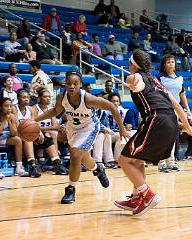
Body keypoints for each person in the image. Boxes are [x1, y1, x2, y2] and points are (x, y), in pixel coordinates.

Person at [114, 50, 192, 216]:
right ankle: (137, 199)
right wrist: (186, 126)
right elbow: (178, 106)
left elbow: (137, 80)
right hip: (170, 121)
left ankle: (147, 194)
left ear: (133, 64)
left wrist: (136, 84)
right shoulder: (156, 81)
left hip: (155, 119)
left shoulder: (134, 77)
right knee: (137, 161)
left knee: (123, 159)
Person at [34, 70, 129, 204]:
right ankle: (97, 168)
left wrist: (121, 128)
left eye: (75, 84)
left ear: (81, 85)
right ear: (65, 84)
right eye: (69, 83)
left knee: (75, 155)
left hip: (89, 128)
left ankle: (71, 188)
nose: (72, 86)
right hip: (72, 128)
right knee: (83, 157)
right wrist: (34, 120)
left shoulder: (88, 98)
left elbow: (112, 107)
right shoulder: (62, 97)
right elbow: (55, 111)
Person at [31, 89, 69, 175]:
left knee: (68, 133)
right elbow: (35, 126)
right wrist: (54, 128)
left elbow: (55, 124)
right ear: (39, 98)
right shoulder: (34, 109)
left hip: (49, 132)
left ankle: (72, 159)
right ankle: (57, 162)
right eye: (45, 96)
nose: (48, 98)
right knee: (52, 133)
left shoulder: (51, 109)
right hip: (38, 133)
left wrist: (61, 128)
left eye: (49, 97)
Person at [0, 98, 24, 179]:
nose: (9, 108)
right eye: (6, 106)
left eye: (10, 106)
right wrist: (4, 121)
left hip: (5, 139)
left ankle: (19, 167)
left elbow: (14, 133)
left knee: (17, 140)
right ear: (0, 107)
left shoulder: (12, 116)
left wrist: (9, 122)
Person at [16, 90, 41, 177]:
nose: (26, 99)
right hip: (14, 133)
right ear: (18, 98)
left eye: (27, 97)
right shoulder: (14, 109)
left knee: (29, 136)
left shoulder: (30, 109)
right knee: (27, 137)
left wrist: (39, 132)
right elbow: (15, 127)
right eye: (23, 97)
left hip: (25, 133)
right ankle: (32, 164)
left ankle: (34, 164)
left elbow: (35, 123)